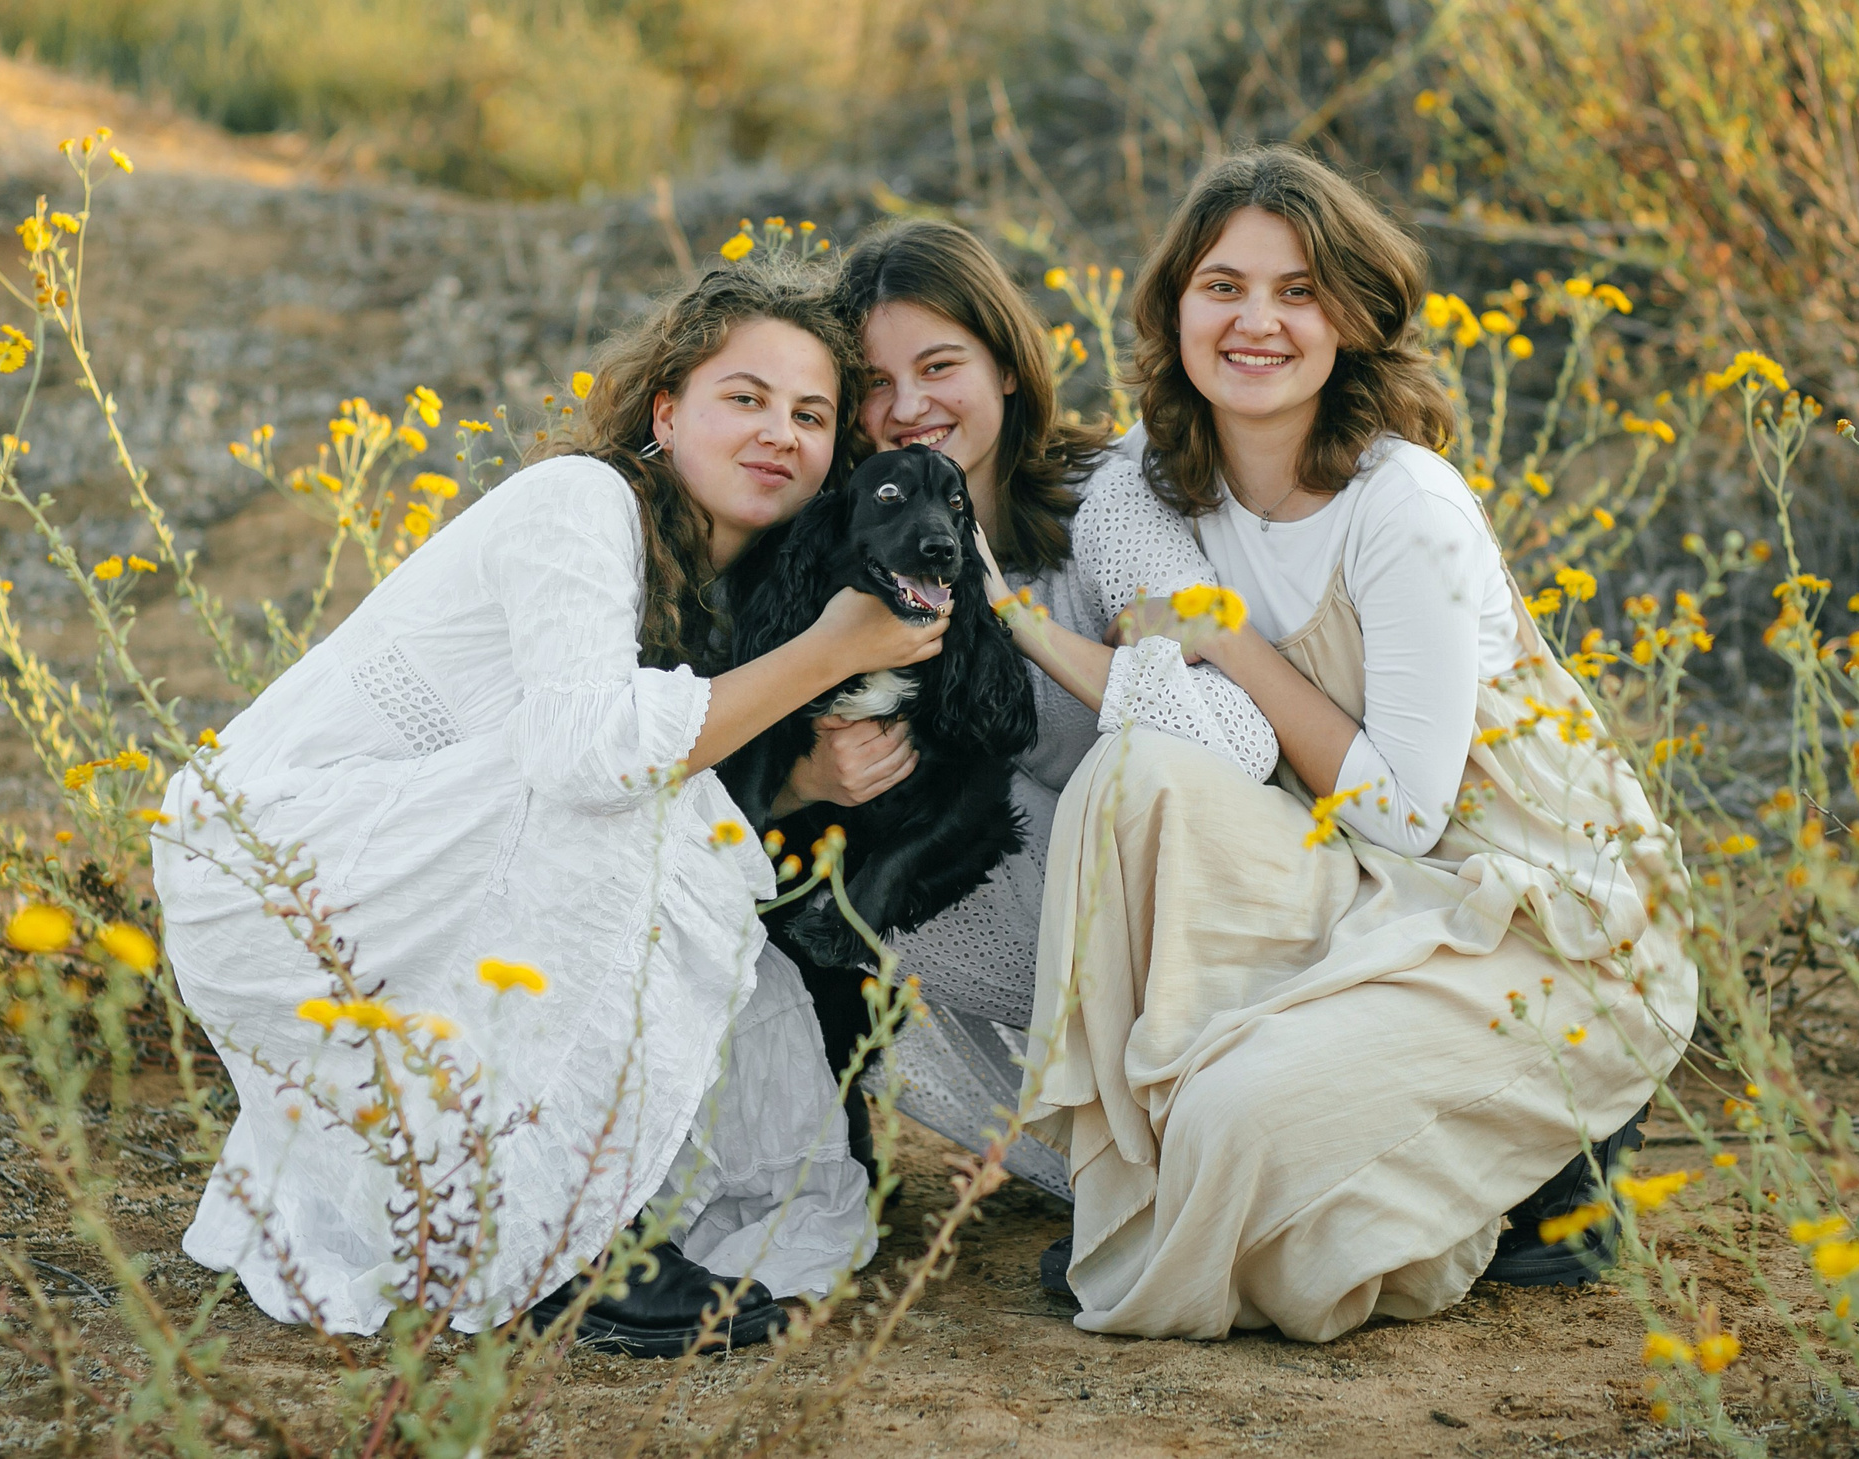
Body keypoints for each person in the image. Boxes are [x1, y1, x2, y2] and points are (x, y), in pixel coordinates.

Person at [152, 263, 942, 1349]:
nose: (780, 434)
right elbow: (588, 762)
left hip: (400, 860)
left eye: (811, 416)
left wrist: (805, 779)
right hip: (273, 863)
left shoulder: (720, 584)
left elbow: (677, 823)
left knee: (662, 828)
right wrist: (829, 654)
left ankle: (573, 1203)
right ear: (666, 410)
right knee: (611, 800)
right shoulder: (582, 501)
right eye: (745, 399)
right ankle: (563, 1246)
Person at [1021, 146, 1701, 1342]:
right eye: (1223, 285)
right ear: (1174, 304)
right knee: (1128, 777)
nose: (1256, 322)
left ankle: (1555, 1152)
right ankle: (1133, 1189)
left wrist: (1225, 641)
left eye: (1298, 292)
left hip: (1540, 914)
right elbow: (1026, 471)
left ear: (1352, 319)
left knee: (1242, 1130)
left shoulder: (1406, 506)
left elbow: (1404, 813)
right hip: (1365, 884)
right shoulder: (1156, 483)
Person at [775, 219, 1278, 1197]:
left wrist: (1019, 620)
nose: (908, 407)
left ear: (1006, 365)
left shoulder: (1109, 504)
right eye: (875, 383)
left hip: (1191, 931)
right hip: (1018, 932)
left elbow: (1230, 747)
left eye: (938, 365)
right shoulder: (862, 550)